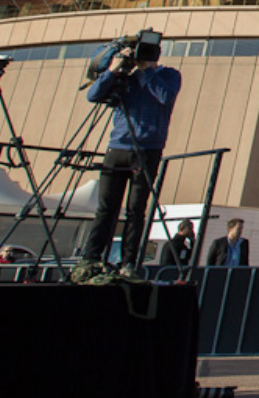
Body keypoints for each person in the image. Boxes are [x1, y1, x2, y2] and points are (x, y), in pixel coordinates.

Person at [75, 38, 181, 281]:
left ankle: (128, 262)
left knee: (136, 210)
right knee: (106, 207)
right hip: (118, 148)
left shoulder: (169, 75)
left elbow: (165, 97)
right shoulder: (126, 78)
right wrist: (114, 68)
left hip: (148, 149)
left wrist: (148, 70)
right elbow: (93, 95)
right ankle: (91, 256)